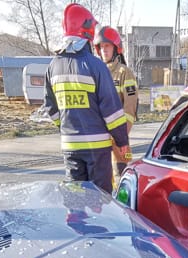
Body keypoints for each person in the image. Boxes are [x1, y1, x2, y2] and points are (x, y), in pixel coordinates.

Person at [42, 3, 130, 193]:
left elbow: (51, 108)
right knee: (99, 199)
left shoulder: (52, 67)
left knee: (76, 196)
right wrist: (122, 141)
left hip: (70, 147)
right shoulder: (96, 67)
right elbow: (112, 112)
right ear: (88, 30)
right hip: (97, 147)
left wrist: (66, 127)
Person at [94, 25, 138, 178]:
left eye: (107, 46)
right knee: (101, 178)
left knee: (121, 174)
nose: (104, 50)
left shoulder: (124, 73)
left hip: (118, 136)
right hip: (99, 136)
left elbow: (130, 107)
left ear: (116, 48)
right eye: (101, 46)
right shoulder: (96, 72)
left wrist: (122, 136)